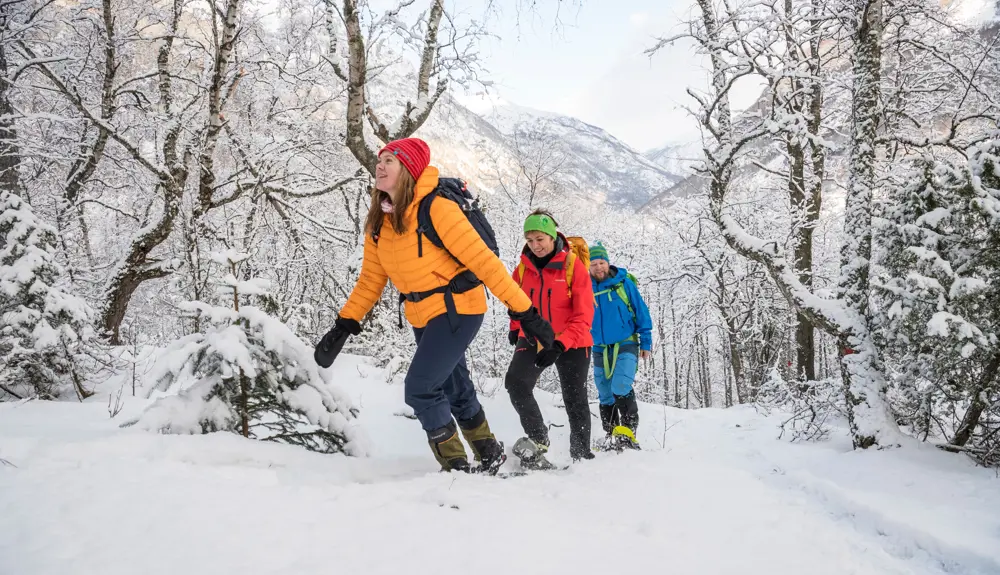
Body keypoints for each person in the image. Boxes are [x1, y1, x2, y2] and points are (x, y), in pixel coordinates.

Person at [313, 137, 554, 475]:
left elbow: (486, 264)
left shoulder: (437, 208)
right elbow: (370, 280)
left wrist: (528, 315)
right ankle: (489, 452)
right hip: (421, 314)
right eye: (380, 160)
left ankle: (454, 464)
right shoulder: (380, 223)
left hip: (458, 310)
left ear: (408, 171)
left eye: (390, 161)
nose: (380, 165)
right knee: (455, 386)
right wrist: (343, 325)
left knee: (421, 388)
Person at [504, 209, 595, 466]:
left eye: (540, 239)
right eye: (530, 240)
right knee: (516, 383)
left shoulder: (572, 267)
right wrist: (514, 326)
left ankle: (581, 456)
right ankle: (538, 439)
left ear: (552, 236)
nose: (535, 246)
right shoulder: (522, 268)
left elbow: (584, 315)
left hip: (572, 340)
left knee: (574, 396)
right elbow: (515, 299)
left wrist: (560, 343)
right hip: (533, 337)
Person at [589, 242, 653, 450]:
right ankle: (610, 435)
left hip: (626, 341)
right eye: (593, 264)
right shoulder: (584, 287)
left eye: (601, 262)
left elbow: (640, 310)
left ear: (608, 262)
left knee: (621, 385)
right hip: (598, 346)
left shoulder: (623, 284)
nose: (598, 267)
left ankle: (628, 434)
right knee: (605, 392)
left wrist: (646, 341)